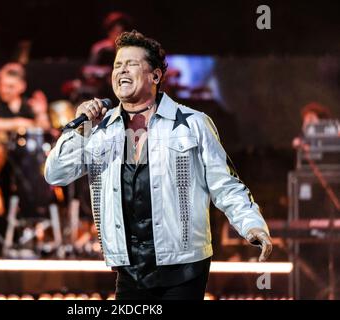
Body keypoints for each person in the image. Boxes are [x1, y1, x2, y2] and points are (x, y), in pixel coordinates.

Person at [45, 30, 272, 300]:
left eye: (131, 63)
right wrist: (80, 128)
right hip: (130, 269)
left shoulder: (192, 123)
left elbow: (225, 184)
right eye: (117, 65)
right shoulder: (99, 131)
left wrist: (252, 225)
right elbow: (55, 174)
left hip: (184, 267)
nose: (121, 70)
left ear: (155, 75)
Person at [0, 63, 54, 256]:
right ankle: (2, 243)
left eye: (11, 86)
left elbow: (44, 128)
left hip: (28, 168)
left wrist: (41, 112)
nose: (5, 90)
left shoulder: (29, 106)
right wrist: (20, 123)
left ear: (21, 86)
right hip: (3, 168)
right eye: (3, 85)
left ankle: (32, 238)